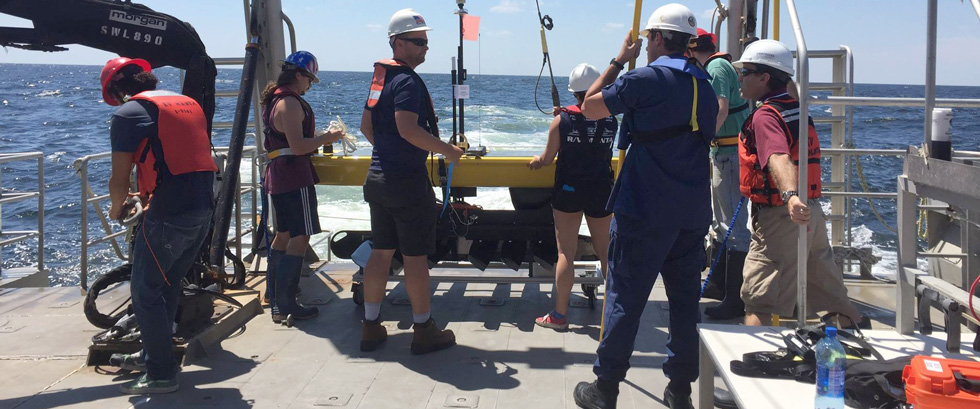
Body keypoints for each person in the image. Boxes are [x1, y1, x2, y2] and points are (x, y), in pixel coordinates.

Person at [572, 4, 718, 409]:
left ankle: (606, 389)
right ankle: (680, 392)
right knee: (685, 306)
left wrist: (620, 59)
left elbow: (590, 106)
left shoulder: (646, 78)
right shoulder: (702, 85)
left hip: (644, 209)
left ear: (654, 38)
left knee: (625, 299)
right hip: (690, 213)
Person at [100, 57, 217, 394]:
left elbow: (118, 176)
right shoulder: (186, 103)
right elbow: (180, 157)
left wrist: (116, 206)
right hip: (202, 209)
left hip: (169, 214)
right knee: (167, 286)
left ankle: (161, 374)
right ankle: (154, 354)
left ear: (119, 90)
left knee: (145, 293)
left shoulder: (128, 114)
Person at [733, 40, 863, 328]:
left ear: (764, 78)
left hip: (783, 218)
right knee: (831, 298)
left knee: (760, 299)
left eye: (745, 73)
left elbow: (778, 156)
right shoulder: (796, 108)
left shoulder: (766, 116)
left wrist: (790, 197)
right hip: (812, 214)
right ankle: (856, 355)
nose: (739, 78)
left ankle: (755, 364)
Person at [358, 8, 464, 355]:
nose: (425, 48)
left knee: (381, 251)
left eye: (426, 42)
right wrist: (448, 150)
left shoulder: (381, 79)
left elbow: (366, 127)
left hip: (378, 177)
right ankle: (423, 329)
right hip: (406, 183)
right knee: (415, 257)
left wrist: (387, 153)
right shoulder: (405, 81)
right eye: (419, 42)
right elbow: (408, 128)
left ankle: (371, 326)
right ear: (397, 43)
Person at [528, 63, 617, 331]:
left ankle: (559, 315)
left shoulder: (562, 119)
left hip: (568, 191)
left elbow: (547, 158)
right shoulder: (611, 118)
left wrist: (536, 162)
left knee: (566, 252)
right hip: (601, 190)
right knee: (606, 254)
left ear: (574, 92)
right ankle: (613, 316)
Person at [260, 50, 343, 323]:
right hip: (294, 177)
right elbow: (297, 147)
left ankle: (274, 298)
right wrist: (327, 137)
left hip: (277, 176)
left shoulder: (275, 101)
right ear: (299, 75)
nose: (310, 85)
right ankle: (287, 303)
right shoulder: (291, 104)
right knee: (300, 237)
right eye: (310, 80)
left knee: (282, 236)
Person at [688, 28, 752, 320]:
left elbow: (720, 109)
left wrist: (699, 142)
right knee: (722, 222)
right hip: (724, 153)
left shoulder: (714, 67)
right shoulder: (721, 65)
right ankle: (718, 285)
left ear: (692, 50)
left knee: (732, 228)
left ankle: (735, 299)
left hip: (728, 155)